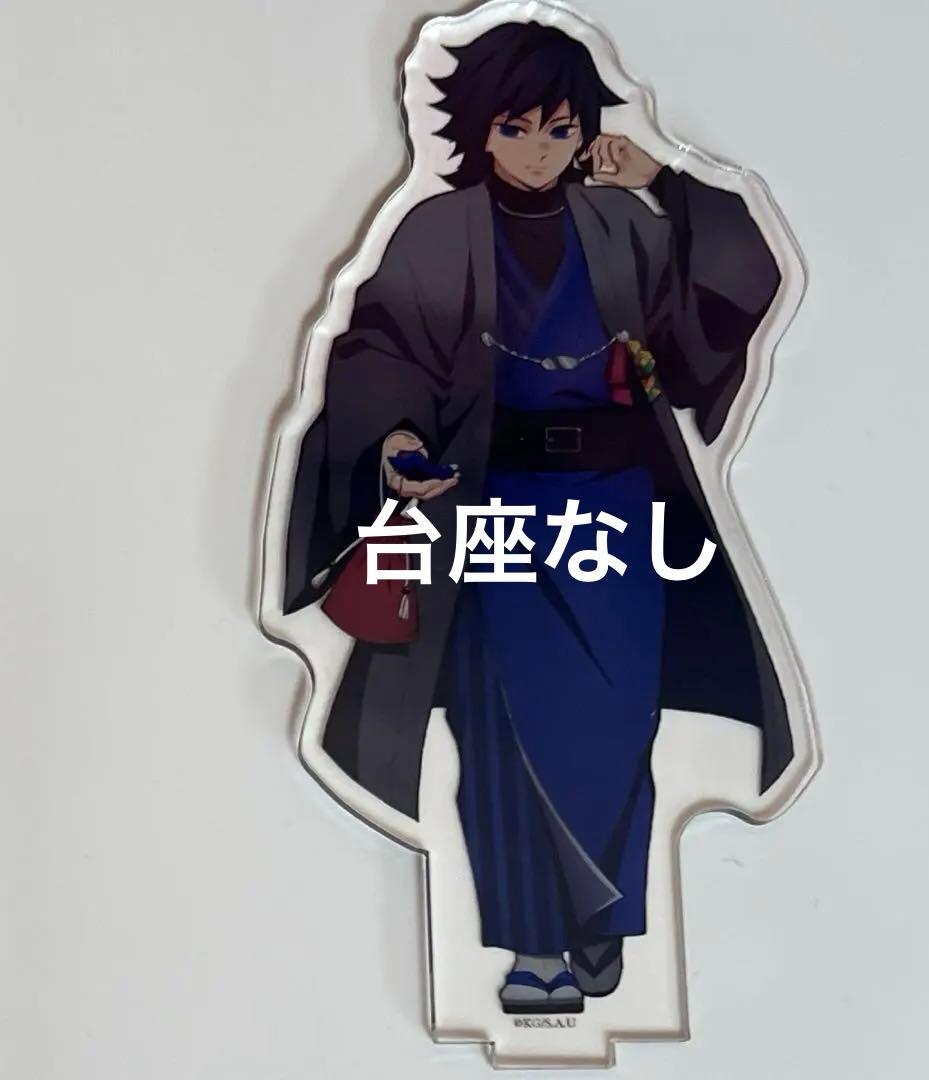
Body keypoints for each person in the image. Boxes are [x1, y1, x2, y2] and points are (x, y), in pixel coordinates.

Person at [283, 20, 793, 1015]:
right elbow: (379, 347)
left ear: (586, 130)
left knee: (617, 724)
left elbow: (738, 281)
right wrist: (396, 439)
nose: (537, 150)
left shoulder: (624, 225)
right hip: (494, 504)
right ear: (480, 129)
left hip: (614, 508)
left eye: (560, 129)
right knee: (502, 727)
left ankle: (600, 919)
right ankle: (534, 950)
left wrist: (665, 180)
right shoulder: (439, 230)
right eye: (514, 128)